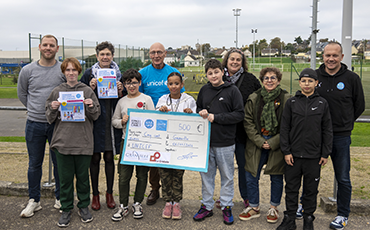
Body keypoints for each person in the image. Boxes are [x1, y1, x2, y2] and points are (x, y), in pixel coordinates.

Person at [45, 58, 100, 227]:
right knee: (65, 179)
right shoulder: (57, 91)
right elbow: (49, 117)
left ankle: (83, 206)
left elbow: (96, 115)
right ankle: (66, 208)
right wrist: (53, 108)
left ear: (78, 72)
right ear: (64, 73)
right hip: (63, 142)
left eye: (74, 70)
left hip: (83, 142)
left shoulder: (87, 91)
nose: (71, 73)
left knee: (83, 179)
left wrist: (91, 106)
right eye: (67, 70)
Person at [316, 41, 365, 230]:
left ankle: (343, 214)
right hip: (317, 135)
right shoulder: (315, 76)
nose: (331, 59)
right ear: (323, 56)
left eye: (335, 55)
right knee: (312, 174)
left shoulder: (352, 78)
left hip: (341, 136)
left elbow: (359, 105)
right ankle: (306, 207)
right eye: (328, 55)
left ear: (342, 57)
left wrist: (345, 122)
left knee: (343, 177)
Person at [277, 68, 333, 230]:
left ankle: (308, 218)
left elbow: (327, 130)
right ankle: (290, 219)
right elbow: (285, 129)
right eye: (303, 81)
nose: (306, 84)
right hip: (293, 156)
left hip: (314, 157)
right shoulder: (292, 102)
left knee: (310, 190)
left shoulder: (322, 103)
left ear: (316, 83)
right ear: (299, 82)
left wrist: (325, 153)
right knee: (291, 189)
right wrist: (286, 151)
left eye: (310, 81)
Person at [17, 34, 65, 217]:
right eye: (45, 45)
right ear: (39, 47)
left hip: (57, 124)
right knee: (34, 164)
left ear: (57, 48)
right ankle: (34, 200)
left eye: (52, 45)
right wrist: (35, 109)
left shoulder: (62, 70)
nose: (48, 48)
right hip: (34, 124)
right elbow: (22, 94)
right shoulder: (27, 70)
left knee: (59, 163)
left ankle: (60, 198)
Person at [193, 59, 244, 225]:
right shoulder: (204, 90)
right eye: (210, 73)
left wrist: (217, 117)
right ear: (206, 75)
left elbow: (239, 114)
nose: (213, 75)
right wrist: (201, 112)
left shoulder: (233, 91)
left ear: (223, 72)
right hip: (206, 142)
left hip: (226, 143)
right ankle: (207, 206)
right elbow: (198, 109)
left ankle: (227, 205)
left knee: (227, 176)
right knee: (207, 176)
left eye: (216, 72)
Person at [239, 67, 291, 224]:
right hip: (256, 142)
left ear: (279, 80)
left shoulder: (286, 98)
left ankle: (274, 207)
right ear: (262, 81)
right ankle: (254, 207)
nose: (270, 80)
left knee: (276, 176)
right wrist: (260, 141)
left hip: (277, 142)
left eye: (273, 78)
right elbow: (247, 121)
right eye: (266, 78)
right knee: (251, 175)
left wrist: (273, 142)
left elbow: (289, 124)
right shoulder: (254, 98)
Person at [80, 41, 125, 211]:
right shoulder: (88, 74)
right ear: (97, 56)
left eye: (108, 54)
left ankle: (110, 193)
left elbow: (126, 96)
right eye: (102, 54)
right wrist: (89, 87)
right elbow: (79, 93)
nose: (105, 57)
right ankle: (95, 195)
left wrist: (122, 89)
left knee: (109, 157)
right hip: (94, 122)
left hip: (111, 119)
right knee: (95, 158)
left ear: (112, 56)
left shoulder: (119, 75)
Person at [138, 42, 184, 205]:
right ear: (149, 55)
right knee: (154, 159)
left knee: (170, 157)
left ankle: (172, 192)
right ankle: (155, 189)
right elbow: (137, 94)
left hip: (171, 122)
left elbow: (182, 97)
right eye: (152, 52)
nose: (156, 55)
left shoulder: (173, 72)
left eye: (159, 52)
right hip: (151, 122)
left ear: (165, 54)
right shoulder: (143, 73)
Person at [217, 49, 261, 209]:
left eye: (238, 60)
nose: (235, 62)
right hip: (223, 133)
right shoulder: (218, 78)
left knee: (244, 167)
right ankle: (224, 197)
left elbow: (259, 103)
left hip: (243, 134)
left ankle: (247, 197)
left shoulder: (250, 79)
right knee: (224, 169)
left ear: (242, 63)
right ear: (226, 61)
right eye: (232, 59)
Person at [111, 69, 154, 221]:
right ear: (124, 84)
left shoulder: (147, 99)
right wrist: (122, 121)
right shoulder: (121, 101)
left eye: (134, 82)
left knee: (142, 175)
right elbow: (114, 121)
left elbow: (154, 120)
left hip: (143, 143)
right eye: (128, 83)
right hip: (126, 142)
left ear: (140, 83)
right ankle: (123, 205)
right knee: (123, 176)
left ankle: (137, 203)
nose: (131, 86)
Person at [156, 72, 197, 220]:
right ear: (167, 85)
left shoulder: (188, 100)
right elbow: (155, 119)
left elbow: (195, 120)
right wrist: (160, 111)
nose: (174, 86)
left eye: (177, 83)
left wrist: (190, 113)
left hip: (181, 145)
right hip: (164, 144)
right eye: (171, 84)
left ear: (182, 84)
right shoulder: (162, 100)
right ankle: (167, 202)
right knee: (165, 174)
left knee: (178, 174)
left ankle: (177, 202)